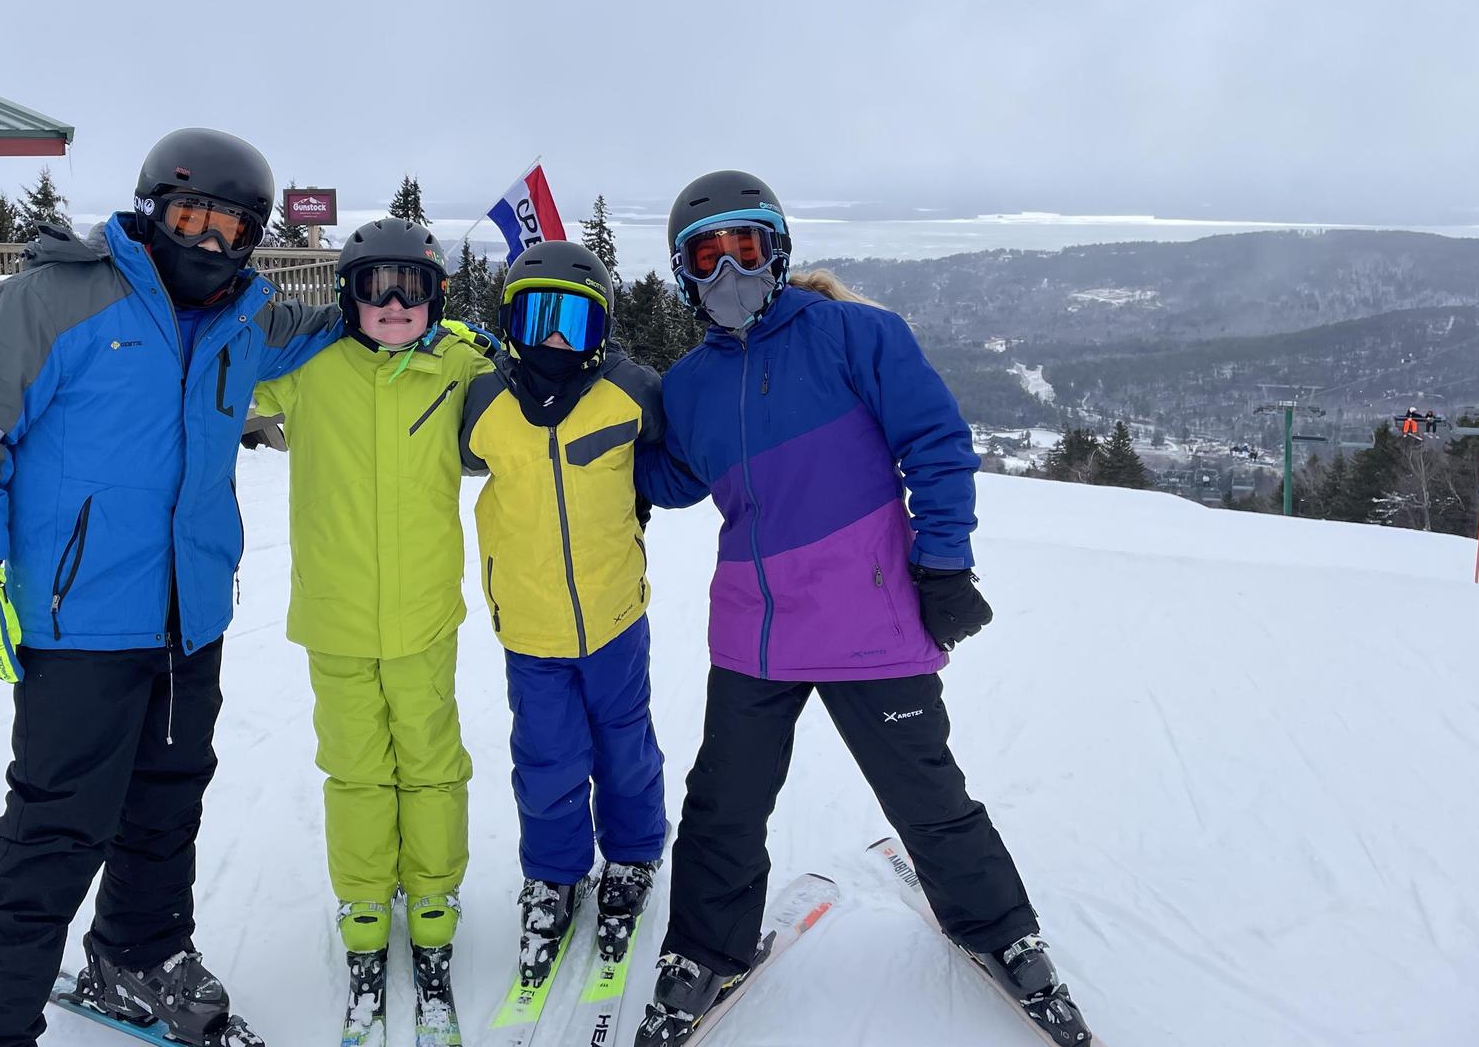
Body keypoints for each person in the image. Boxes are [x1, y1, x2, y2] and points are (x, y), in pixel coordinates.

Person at [633, 170, 1091, 1047]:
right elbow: (677, 477)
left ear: (778, 250)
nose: (730, 270)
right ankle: (703, 949)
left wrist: (944, 563)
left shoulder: (856, 336)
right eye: (708, 254)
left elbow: (937, 444)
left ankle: (1000, 932)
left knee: (925, 795)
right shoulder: (689, 386)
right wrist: (607, 430)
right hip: (754, 633)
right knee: (724, 803)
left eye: (746, 247)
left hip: (870, 624)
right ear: (684, 274)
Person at [0, 128, 341, 1047]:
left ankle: (139, 953)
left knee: (167, 801)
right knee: (52, 837)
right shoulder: (54, 298)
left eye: (228, 225)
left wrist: (413, 305)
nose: (205, 240)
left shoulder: (243, 322)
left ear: (254, 235)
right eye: (187, 215)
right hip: (81, 626)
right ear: (150, 211)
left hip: (189, 620)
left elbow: (328, 331)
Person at [249, 217, 492, 1028]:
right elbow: (222, 381)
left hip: (424, 616)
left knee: (430, 764)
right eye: (372, 286)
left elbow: (523, 407)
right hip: (337, 615)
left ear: (436, 297)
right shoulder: (309, 368)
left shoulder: (457, 366)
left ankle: (430, 904)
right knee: (355, 769)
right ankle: (362, 905)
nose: (392, 303)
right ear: (346, 297)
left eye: (412, 287)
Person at [457, 239, 669, 983]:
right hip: (531, 625)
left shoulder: (630, 391)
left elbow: (673, 457)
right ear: (511, 322)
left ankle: (635, 856)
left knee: (625, 748)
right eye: (539, 318)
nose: (553, 339)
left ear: (600, 332)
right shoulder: (483, 402)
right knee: (545, 759)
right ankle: (554, 874)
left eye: (573, 323)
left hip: (615, 619)